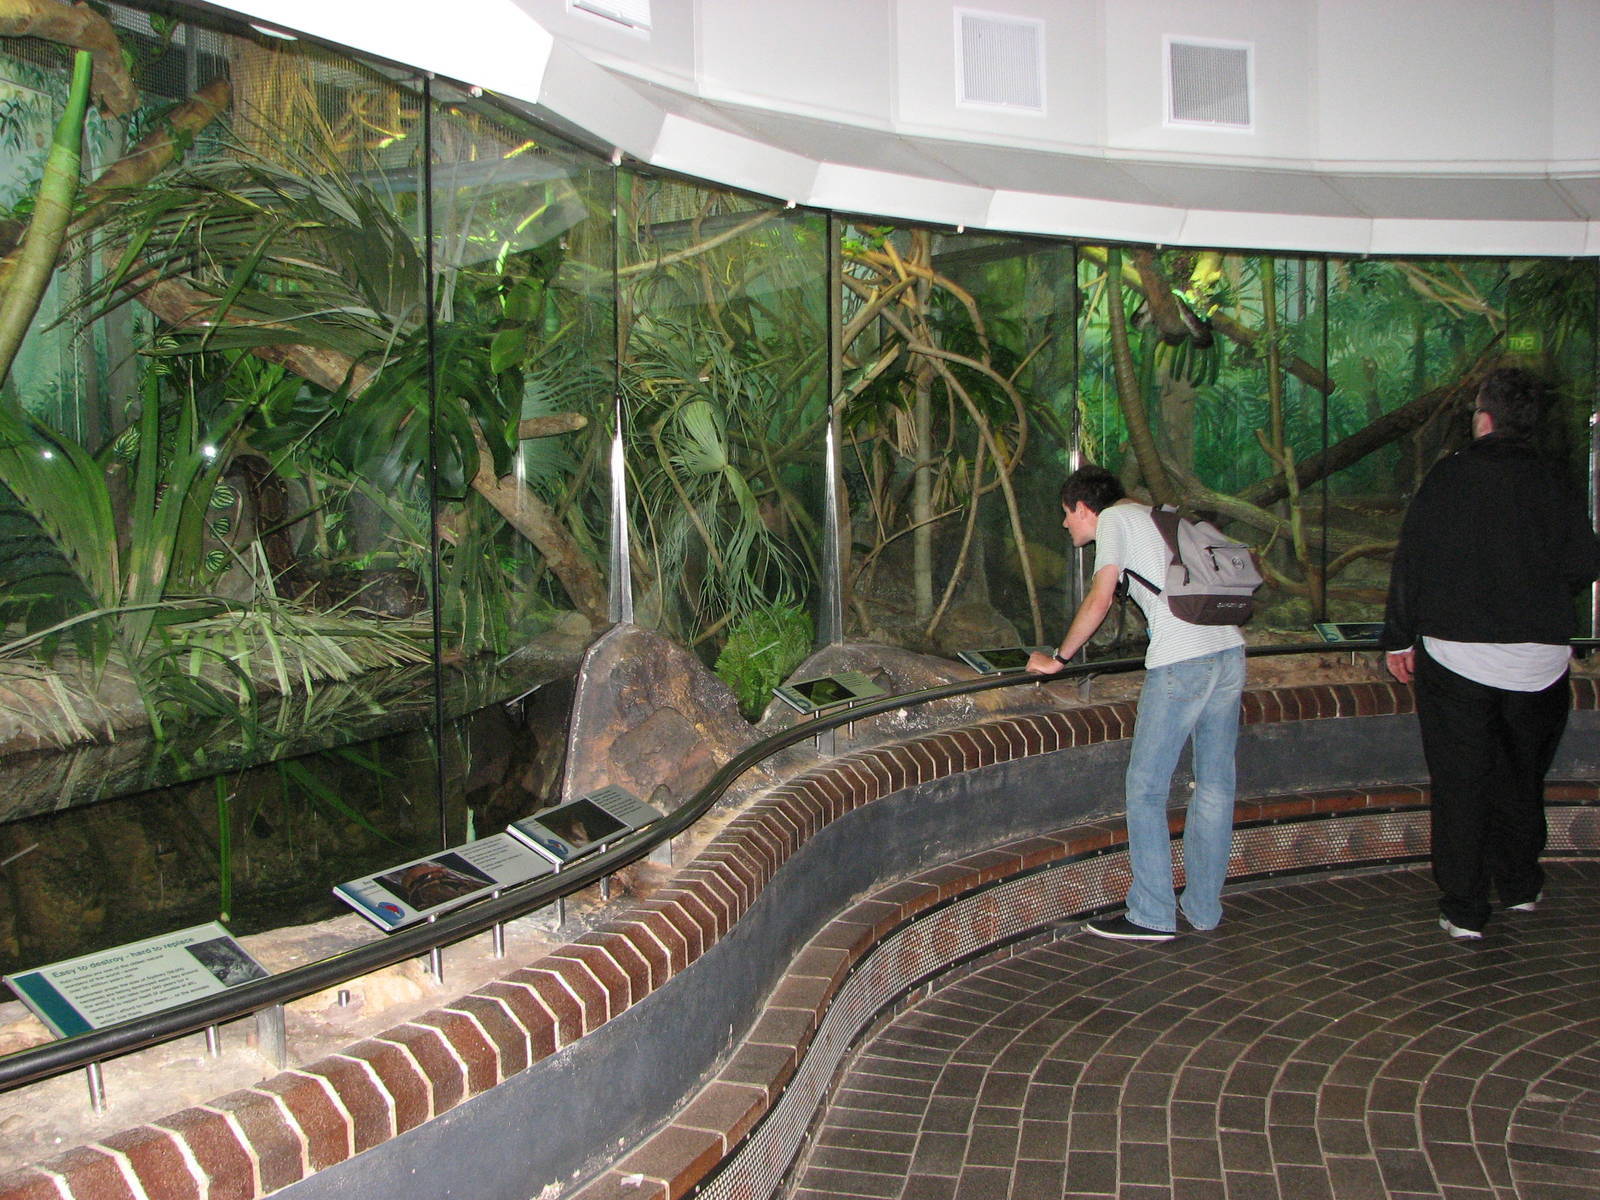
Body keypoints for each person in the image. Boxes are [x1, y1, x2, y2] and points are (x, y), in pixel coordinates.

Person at [1381, 367, 1599, 940]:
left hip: (1458, 657)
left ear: (1483, 417)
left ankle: (1465, 905)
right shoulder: (1558, 480)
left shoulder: (1450, 477)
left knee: (1462, 780)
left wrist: (1400, 638)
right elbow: (1583, 564)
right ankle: (1521, 883)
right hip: (1541, 659)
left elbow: (1413, 560)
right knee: (1523, 775)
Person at [1028, 466, 1246, 941]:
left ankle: (1151, 912)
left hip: (1182, 660)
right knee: (1214, 785)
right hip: (1228, 650)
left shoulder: (1115, 522)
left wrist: (1058, 659)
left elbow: (1100, 597)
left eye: (1067, 515)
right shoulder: (1156, 516)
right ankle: (1204, 908)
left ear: (1084, 508)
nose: (1066, 525)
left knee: (1146, 789)